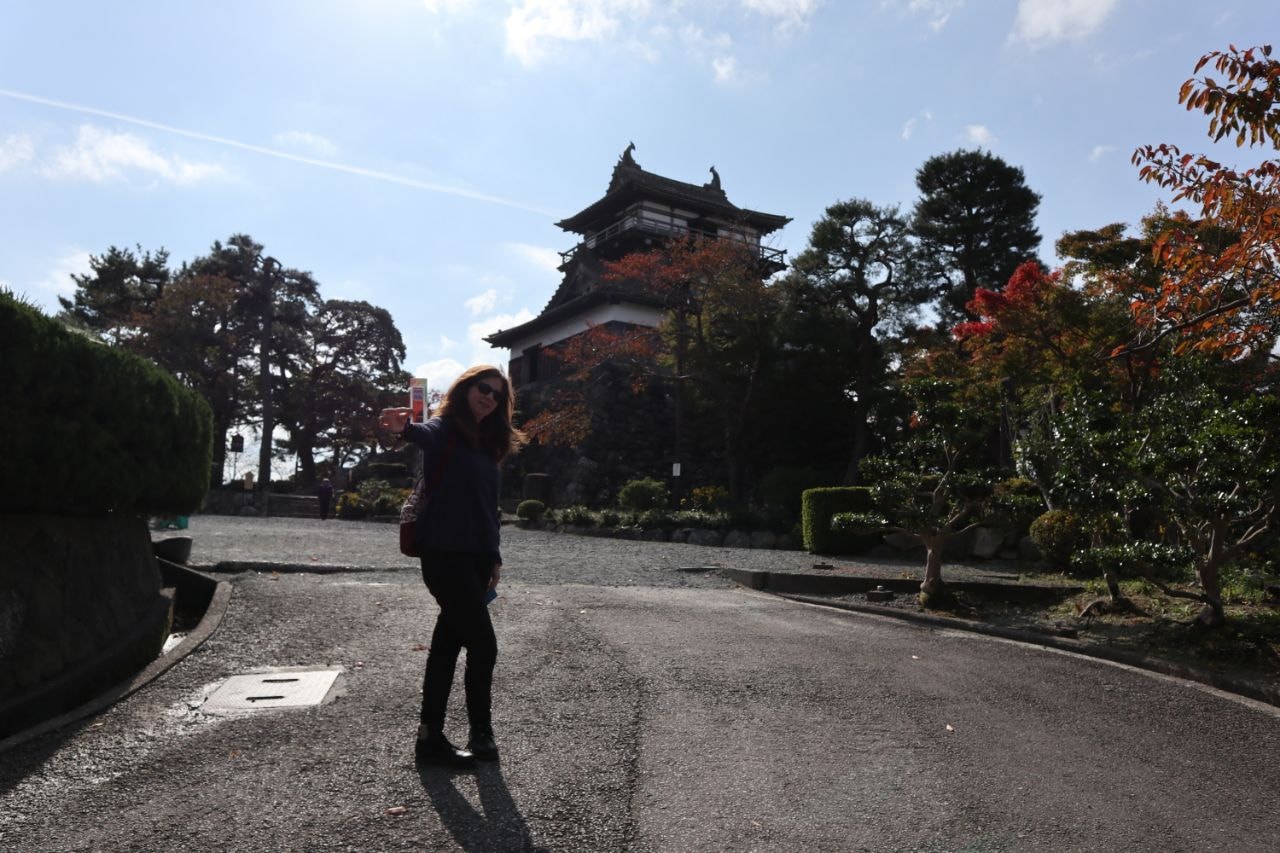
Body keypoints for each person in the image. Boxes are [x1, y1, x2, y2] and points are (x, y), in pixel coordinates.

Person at [378, 366, 523, 768]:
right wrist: (403, 428)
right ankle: (481, 732)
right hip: (444, 555)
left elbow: (488, 509)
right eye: (483, 389)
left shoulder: (490, 445)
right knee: (484, 644)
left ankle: (429, 738)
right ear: (465, 389)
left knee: (447, 645)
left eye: (497, 395)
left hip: (476, 559)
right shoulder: (445, 428)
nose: (489, 398)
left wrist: (494, 555)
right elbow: (423, 434)